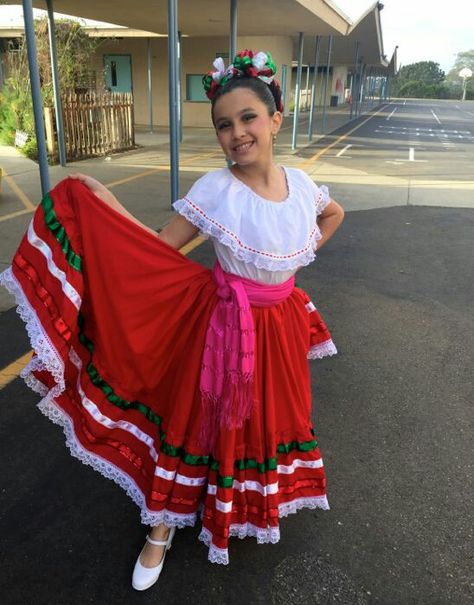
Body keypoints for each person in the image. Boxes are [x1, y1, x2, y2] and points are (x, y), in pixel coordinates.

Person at [0, 50, 344, 591]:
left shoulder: (301, 185)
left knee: (268, 418)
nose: (237, 133)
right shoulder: (217, 190)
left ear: (276, 120)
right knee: (199, 420)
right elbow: (157, 250)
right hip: (223, 329)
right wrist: (106, 204)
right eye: (224, 124)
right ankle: (160, 529)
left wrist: (296, 261)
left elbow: (332, 213)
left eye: (248, 117)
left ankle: (239, 504)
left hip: (281, 325)